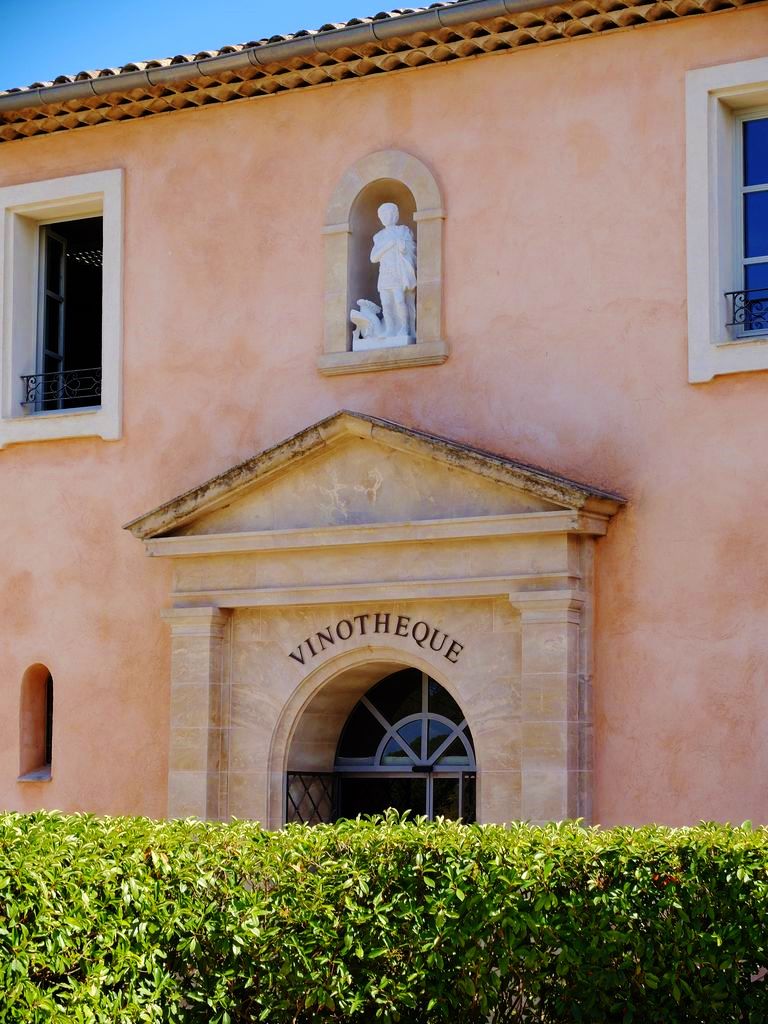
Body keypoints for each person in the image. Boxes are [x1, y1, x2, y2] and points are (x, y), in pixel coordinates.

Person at [370, 203, 417, 341]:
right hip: (385, 272)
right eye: (383, 215)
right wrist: (389, 245)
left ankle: (405, 327)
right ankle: (390, 329)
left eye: (389, 213)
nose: (386, 217)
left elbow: (411, 248)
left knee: (399, 300)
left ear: (395, 215)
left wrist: (403, 248)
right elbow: (373, 257)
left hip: (398, 271)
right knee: (386, 303)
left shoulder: (403, 230)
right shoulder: (378, 236)